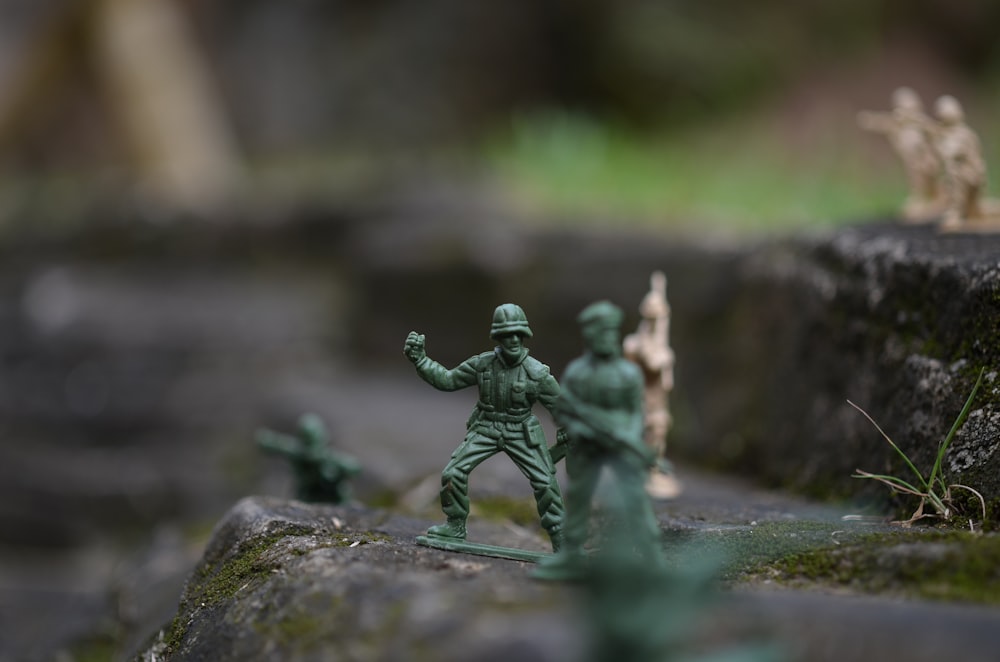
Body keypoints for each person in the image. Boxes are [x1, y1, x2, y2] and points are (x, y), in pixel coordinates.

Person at [404, 304, 566, 551]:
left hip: (521, 430)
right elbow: (448, 380)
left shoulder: (537, 374)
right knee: (453, 473)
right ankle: (455, 526)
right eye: (506, 334)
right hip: (486, 427)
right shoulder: (482, 364)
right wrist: (421, 360)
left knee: (545, 483)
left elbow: (561, 408)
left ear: (524, 336)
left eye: (516, 334)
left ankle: (560, 540)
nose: (512, 339)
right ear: (498, 337)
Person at [534, 301, 664, 580]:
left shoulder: (628, 373)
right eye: (598, 332)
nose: (605, 338)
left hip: (622, 447)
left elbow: (636, 412)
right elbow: (563, 411)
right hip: (586, 447)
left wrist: (627, 435)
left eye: (610, 332)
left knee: (635, 500)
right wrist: (579, 429)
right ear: (589, 336)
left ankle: (653, 561)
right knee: (578, 500)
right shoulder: (577, 372)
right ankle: (570, 556)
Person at [858, 87, 944, 221]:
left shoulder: (920, 121)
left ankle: (937, 197)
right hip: (910, 160)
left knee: (929, 176)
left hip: (924, 156)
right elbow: (883, 123)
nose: (906, 111)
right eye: (902, 106)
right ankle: (921, 199)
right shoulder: (897, 123)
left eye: (909, 106)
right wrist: (870, 120)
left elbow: (935, 131)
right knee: (916, 179)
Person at [256, 413, 361, 504]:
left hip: (332, 495)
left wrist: (326, 460)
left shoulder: (330, 456)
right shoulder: (298, 451)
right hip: (308, 494)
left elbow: (354, 467)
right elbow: (273, 443)